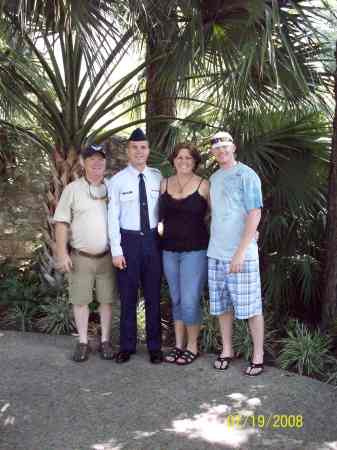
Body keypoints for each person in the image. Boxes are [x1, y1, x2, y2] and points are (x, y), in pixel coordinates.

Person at [54, 144, 118, 362]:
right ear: (83, 162)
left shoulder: (112, 187)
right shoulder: (72, 189)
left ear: (105, 163)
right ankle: (82, 342)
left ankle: (105, 341)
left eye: (101, 159)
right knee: (80, 301)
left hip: (107, 257)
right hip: (81, 257)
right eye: (91, 159)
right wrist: (62, 254)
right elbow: (61, 223)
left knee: (107, 300)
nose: (97, 163)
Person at [207, 131, 264, 376]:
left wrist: (240, 252)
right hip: (216, 253)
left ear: (234, 147)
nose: (221, 150)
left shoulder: (247, 175)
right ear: (212, 152)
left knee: (251, 308)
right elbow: (215, 213)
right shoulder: (214, 178)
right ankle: (227, 350)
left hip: (242, 255)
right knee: (223, 307)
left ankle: (258, 355)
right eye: (216, 147)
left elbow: (255, 213)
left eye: (225, 145)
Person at [107, 128, 163, 364]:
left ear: (148, 150)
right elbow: (112, 217)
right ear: (127, 150)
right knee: (128, 296)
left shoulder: (157, 177)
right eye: (134, 147)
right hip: (128, 242)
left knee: (153, 295)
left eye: (143, 147)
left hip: (152, 241)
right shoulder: (117, 180)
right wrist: (117, 250)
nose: (139, 152)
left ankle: (154, 347)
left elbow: (164, 211)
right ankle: (127, 346)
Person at [158, 143, 209, 365]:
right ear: (174, 160)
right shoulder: (163, 184)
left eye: (188, 158)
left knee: (189, 300)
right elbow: (159, 218)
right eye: (180, 157)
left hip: (195, 251)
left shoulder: (204, 185)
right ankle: (178, 345)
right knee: (176, 298)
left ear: (195, 161)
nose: (184, 161)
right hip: (168, 250)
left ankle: (192, 346)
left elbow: (216, 216)